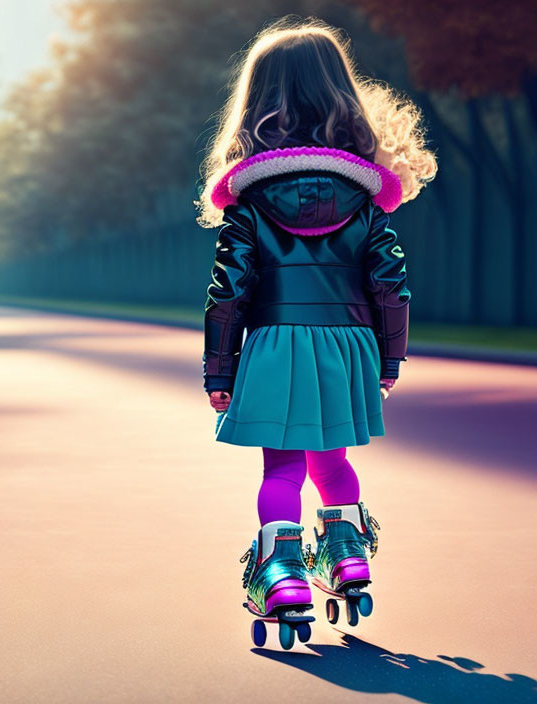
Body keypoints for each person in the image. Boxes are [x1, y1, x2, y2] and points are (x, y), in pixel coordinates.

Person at [196, 18, 437, 648]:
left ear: (255, 103)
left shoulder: (249, 203)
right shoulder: (363, 200)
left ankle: (281, 572)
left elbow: (229, 291)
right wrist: (389, 360)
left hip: (275, 343)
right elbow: (391, 285)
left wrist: (218, 371)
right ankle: (348, 556)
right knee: (332, 458)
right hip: (348, 343)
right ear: (342, 97)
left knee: (281, 467)